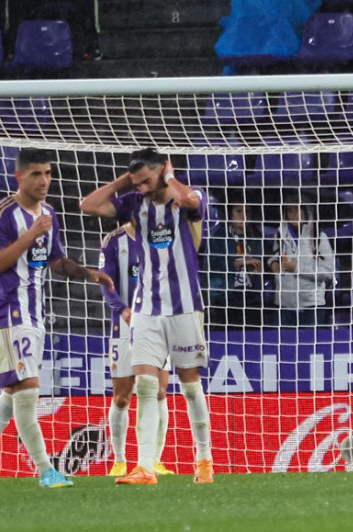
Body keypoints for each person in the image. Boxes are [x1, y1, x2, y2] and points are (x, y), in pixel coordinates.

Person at [0, 148, 114, 489]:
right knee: (27, 391)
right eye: (36, 174)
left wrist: (89, 273)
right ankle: (46, 471)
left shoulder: (49, 213)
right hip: (10, 311)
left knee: (13, 394)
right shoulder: (0, 214)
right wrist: (30, 234)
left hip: (35, 314)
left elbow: (56, 260)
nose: (44, 181)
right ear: (19, 177)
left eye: (48, 173)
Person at [80, 147, 214, 484]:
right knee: (145, 385)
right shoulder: (133, 204)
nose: (141, 188)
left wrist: (168, 177)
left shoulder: (187, 197)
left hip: (184, 306)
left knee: (190, 387)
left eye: (145, 181)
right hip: (146, 309)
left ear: (162, 170)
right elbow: (88, 205)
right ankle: (144, 466)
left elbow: (192, 203)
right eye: (136, 183)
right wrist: (127, 179)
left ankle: (204, 460)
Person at [99, 222, 175, 477]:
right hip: (124, 327)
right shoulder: (113, 240)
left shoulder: (162, 235)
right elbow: (104, 283)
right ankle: (119, 460)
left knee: (159, 393)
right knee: (122, 397)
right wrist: (122, 310)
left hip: (157, 324)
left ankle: (154, 460)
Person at [267, 198, 335, 327]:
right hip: (283, 303)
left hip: (312, 305)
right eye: (289, 211)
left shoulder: (318, 237)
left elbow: (328, 272)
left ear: (306, 211)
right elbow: (274, 255)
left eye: (297, 210)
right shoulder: (279, 235)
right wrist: (273, 263)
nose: (293, 214)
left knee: (311, 346)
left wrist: (297, 268)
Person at [207, 201, 265, 327]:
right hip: (225, 299)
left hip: (251, 299)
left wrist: (259, 272)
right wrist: (240, 262)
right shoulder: (218, 237)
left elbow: (263, 264)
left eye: (247, 212)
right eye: (239, 211)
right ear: (230, 214)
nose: (244, 215)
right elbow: (213, 266)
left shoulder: (256, 237)